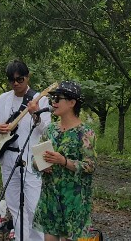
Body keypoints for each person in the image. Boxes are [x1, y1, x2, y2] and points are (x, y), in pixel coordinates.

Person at [0, 61, 51, 241]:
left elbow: (47, 130)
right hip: (7, 157)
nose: (15, 83)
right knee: (14, 205)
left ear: (27, 77)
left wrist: (35, 113)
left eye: (19, 79)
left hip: (30, 158)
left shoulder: (39, 99)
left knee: (33, 205)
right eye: (11, 80)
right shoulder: (3, 98)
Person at [33, 81, 97, 241]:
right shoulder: (50, 130)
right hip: (50, 198)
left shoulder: (85, 133)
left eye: (57, 99)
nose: (53, 103)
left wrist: (63, 161)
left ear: (72, 103)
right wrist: (40, 165)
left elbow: (90, 166)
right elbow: (36, 159)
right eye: (52, 99)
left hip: (73, 200)